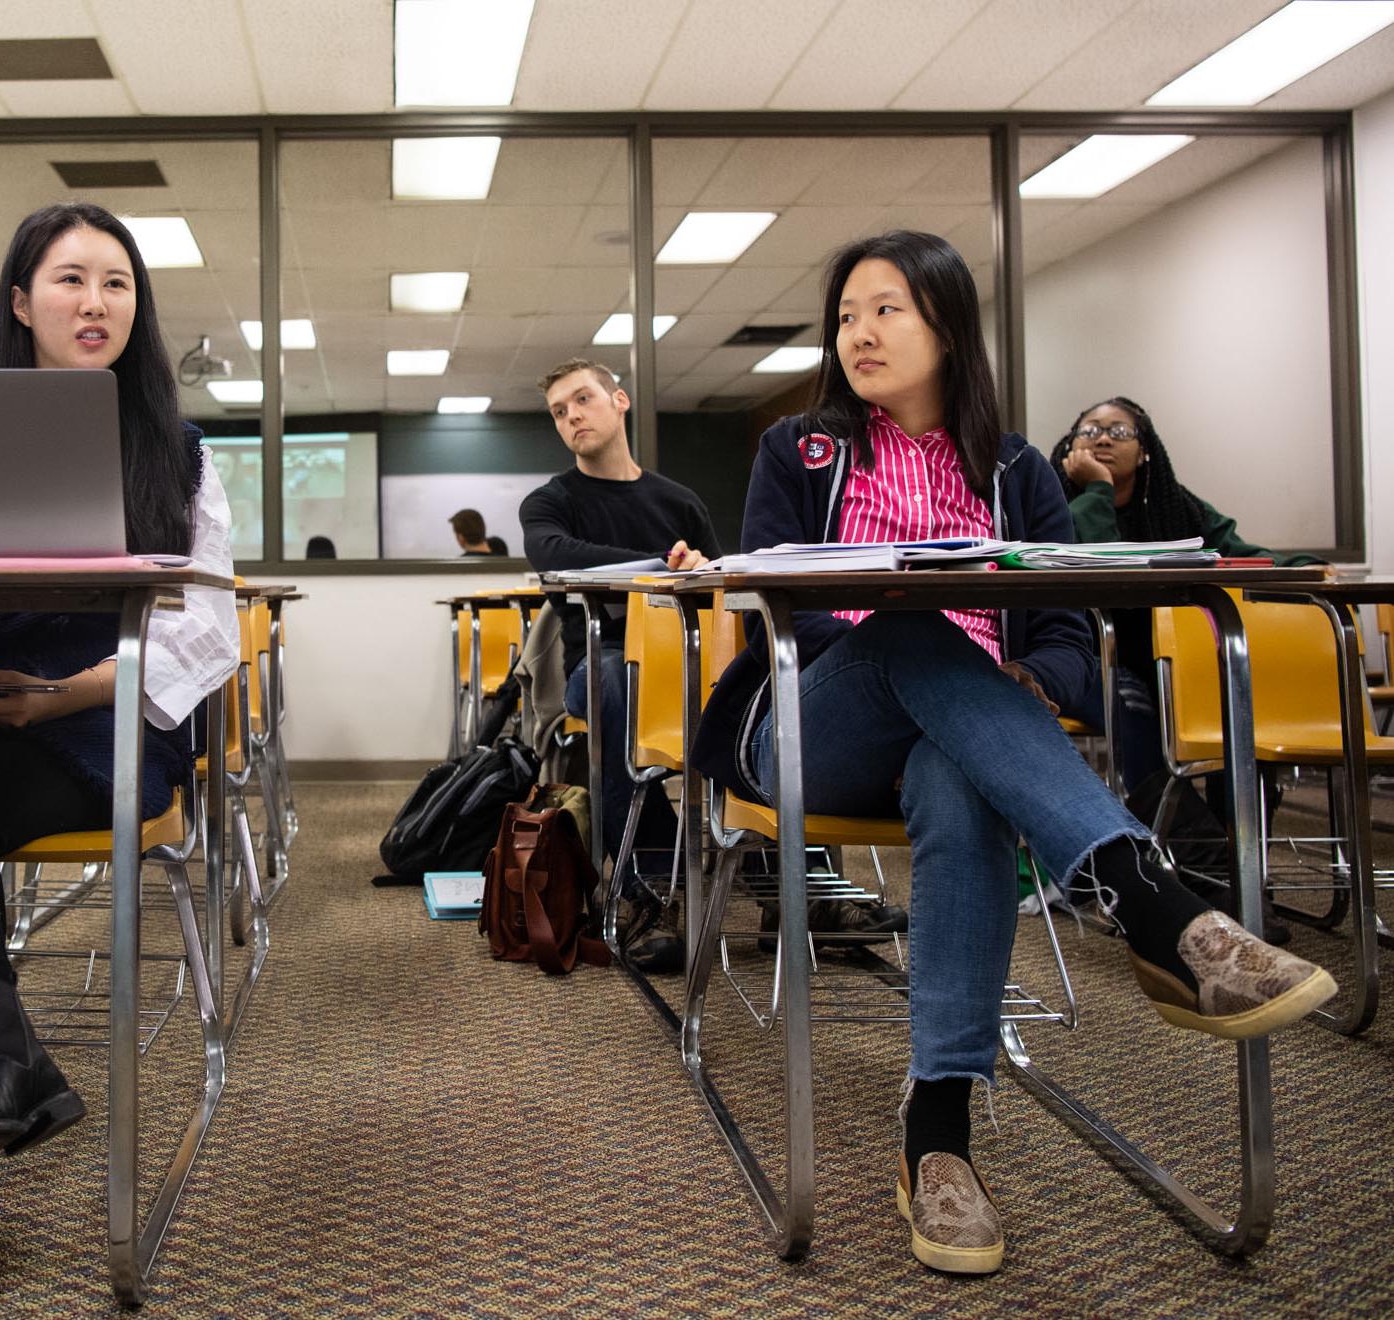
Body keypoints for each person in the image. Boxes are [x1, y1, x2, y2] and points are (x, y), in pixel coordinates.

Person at [695, 230, 1335, 1277]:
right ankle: (1151, 901)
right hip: (815, 726)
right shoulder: (798, 450)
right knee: (910, 624)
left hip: (969, 739)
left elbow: (1069, 636)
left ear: (948, 325)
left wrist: (1036, 685)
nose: (860, 331)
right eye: (848, 314)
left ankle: (937, 1131)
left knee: (960, 777)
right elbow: (788, 611)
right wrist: (934, 643)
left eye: (887, 309)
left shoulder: (1015, 470)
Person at [0, 201, 238, 1304]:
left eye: (117, 283)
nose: (96, 302)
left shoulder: (178, 451)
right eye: (71, 280)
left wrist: (59, 692)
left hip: (97, 727)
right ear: (21, 302)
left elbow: (207, 632)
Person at [519, 359, 722, 973]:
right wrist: (662, 563)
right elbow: (557, 558)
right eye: (559, 411)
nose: (572, 415)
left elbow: (716, 580)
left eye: (583, 399)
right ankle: (655, 890)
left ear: (620, 401)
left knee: (779, 685)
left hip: (689, 657)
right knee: (612, 688)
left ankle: (798, 887)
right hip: (604, 658)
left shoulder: (678, 501)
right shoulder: (550, 503)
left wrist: (695, 566)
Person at [1050, 397, 1324, 795]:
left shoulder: (1174, 507)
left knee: (1231, 696)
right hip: (1086, 655)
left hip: (1162, 657)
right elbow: (1104, 567)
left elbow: (1235, 552)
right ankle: (1181, 836)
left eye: (1119, 431)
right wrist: (1098, 489)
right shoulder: (1057, 504)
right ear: (1072, 448)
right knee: (1131, 702)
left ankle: (1232, 830)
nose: (1103, 440)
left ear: (1144, 451)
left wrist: (1305, 565)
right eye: (1089, 431)